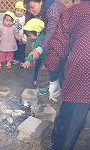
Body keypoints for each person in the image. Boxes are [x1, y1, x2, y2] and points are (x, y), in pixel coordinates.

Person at [45, 1, 90, 149]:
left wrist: (53, 78)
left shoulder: (76, 11)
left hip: (84, 70)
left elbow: (59, 45)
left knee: (72, 117)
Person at [24, 0, 73, 99]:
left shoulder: (53, 11)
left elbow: (51, 32)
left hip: (65, 40)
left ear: (40, 2)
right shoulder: (44, 9)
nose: (30, 10)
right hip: (56, 40)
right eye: (28, 8)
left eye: (32, 7)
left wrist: (38, 49)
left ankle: (69, 98)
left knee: (62, 69)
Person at [21, 18, 45, 87]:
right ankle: (36, 80)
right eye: (27, 36)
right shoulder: (42, 34)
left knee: (44, 72)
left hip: (47, 58)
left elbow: (33, 52)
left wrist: (28, 60)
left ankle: (43, 87)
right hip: (40, 56)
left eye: (30, 35)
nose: (29, 38)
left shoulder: (39, 40)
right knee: (38, 66)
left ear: (37, 32)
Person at [12, 1, 27, 65]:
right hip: (14, 37)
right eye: (17, 10)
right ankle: (15, 58)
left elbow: (26, 29)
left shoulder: (24, 19)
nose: (19, 12)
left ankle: (22, 60)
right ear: (15, 10)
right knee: (15, 48)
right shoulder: (13, 18)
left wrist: (25, 38)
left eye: (21, 11)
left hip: (21, 37)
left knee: (21, 49)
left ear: (24, 11)